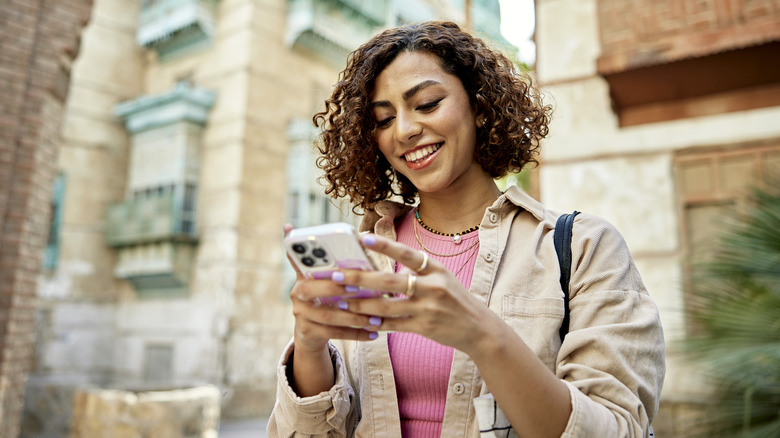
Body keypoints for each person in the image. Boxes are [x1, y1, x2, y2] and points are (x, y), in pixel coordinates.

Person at [268, 21, 665, 438]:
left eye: (426, 104)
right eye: (383, 120)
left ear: (478, 105)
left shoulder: (582, 248)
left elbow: (620, 428)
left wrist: (482, 334)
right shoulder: (366, 257)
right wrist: (310, 348)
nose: (403, 130)